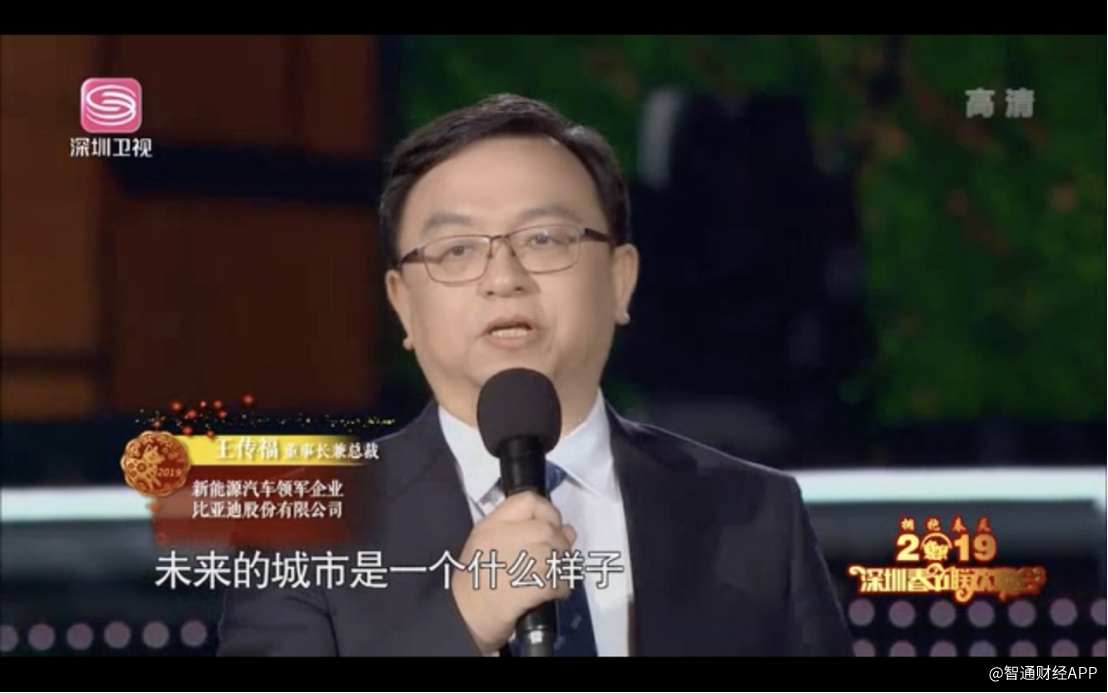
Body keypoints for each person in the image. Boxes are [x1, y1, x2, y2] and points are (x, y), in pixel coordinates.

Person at [217, 93, 851, 656]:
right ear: (403, 304)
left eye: (544, 239)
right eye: (457, 250)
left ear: (620, 280)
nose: (504, 277)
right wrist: (461, 626)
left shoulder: (758, 515)